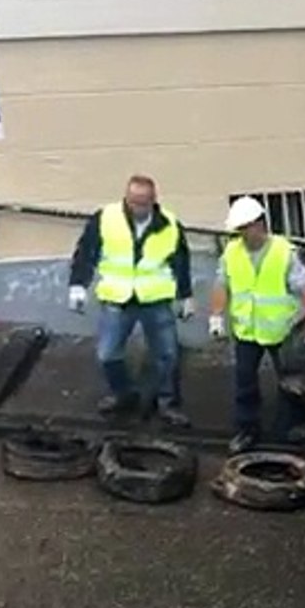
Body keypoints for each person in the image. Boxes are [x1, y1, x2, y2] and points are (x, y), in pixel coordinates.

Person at [67, 174, 194, 426]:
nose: (137, 207)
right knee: (107, 354)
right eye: (133, 201)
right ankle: (124, 393)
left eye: (143, 202)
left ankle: (166, 403)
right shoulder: (105, 218)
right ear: (126, 198)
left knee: (167, 355)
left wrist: (185, 296)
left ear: (153, 201)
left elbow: (180, 261)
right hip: (118, 299)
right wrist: (78, 285)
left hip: (155, 299)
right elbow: (86, 252)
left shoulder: (169, 224)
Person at [209, 196, 305, 454]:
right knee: (245, 382)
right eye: (238, 229)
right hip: (246, 329)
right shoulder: (232, 252)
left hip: (281, 329)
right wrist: (216, 316)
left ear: (260, 223)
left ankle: (295, 425)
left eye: (245, 227)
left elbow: (304, 288)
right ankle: (247, 429)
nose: (242, 234)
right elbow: (222, 284)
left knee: (292, 380)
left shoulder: (283, 252)